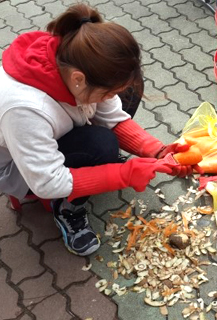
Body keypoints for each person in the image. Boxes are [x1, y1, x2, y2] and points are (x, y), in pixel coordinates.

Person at [0, 4, 200, 257]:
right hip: (19, 169)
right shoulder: (25, 110)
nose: (110, 98)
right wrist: (125, 174)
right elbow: (47, 182)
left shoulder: (78, 61)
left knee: (127, 90)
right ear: (78, 79)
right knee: (101, 145)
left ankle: (96, 163)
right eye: (106, 93)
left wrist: (156, 150)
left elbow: (112, 116)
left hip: (54, 132)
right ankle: (67, 209)